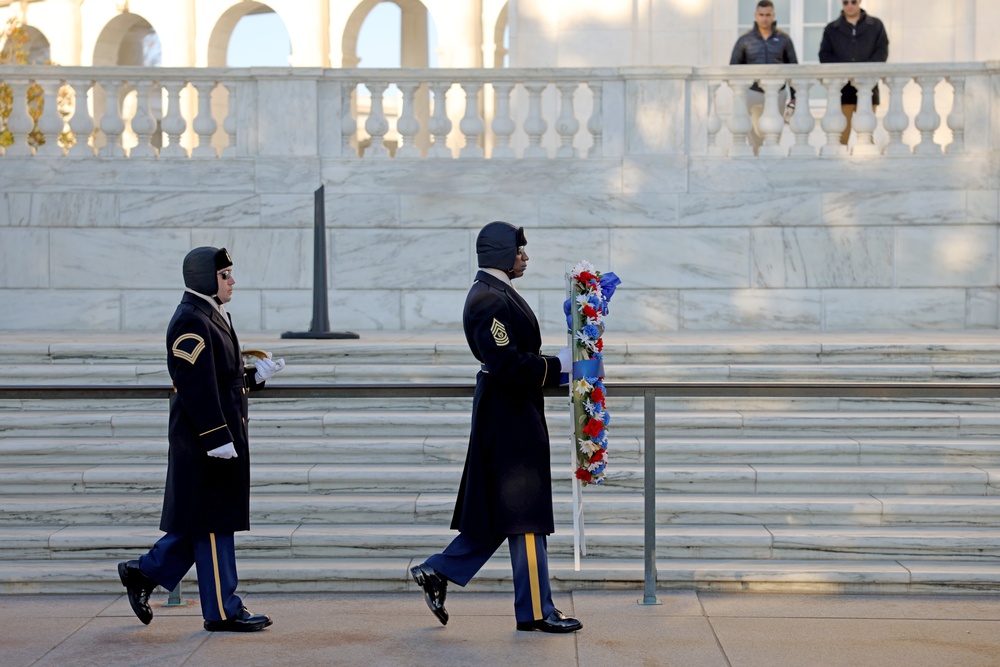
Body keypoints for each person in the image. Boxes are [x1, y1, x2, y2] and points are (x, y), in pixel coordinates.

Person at [410, 221, 581, 633]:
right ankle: (536, 610)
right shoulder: (487, 299)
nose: (525, 256)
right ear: (502, 253)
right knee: (524, 513)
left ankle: (438, 569)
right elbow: (505, 363)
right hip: (507, 416)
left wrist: (559, 369)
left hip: (513, 409)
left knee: (506, 513)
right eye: (520, 250)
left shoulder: (497, 292)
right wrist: (557, 366)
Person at [117, 247, 285, 632]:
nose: (232, 281)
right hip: (204, 443)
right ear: (205, 279)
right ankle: (222, 610)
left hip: (217, 437)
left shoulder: (210, 313)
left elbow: (219, 379)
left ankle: (143, 572)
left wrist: (253, 377)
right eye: (225, 274)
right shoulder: (191, 320)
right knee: (212, 526)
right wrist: (215, 437)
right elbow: (195, 388)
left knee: (206, 521)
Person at [730, 0, 798, 152]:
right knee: (755, 134)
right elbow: (734, 68)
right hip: (753, 93)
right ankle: (757, 161)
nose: (765, 18)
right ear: (756, 15)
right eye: (761, 15)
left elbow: (793, 69)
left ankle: (772, 164)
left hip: (778, 94)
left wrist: (794, 97)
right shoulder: (745, 40)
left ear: (773, 15)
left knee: (774, 134)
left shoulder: (784, 39)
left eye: (768, 15)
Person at [819, 0, 889, 145]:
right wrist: (845, 70)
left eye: (853, 1)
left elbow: (882, 51)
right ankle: (840, 166)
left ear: (859, 2)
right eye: (845, 2)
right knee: (841, 134)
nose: (849, 5)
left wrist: (865, 70)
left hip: (868, 85)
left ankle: (868, 165)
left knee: (866, 133)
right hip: (843, 88)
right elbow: (824, 55)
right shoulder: (831, 29)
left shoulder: (876, 25)